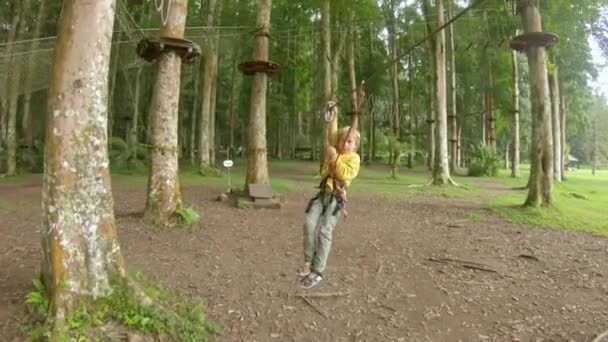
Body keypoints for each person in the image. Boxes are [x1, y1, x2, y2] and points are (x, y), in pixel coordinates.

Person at [297, 100, 361, 289]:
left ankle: (318, 271)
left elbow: (344, 174)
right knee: (309, 224)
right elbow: (332, 135)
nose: (345, 143)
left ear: (355, 145)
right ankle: (308, 261)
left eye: (349, 141)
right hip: (321, 195)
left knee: (325, 230)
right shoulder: (335, 148)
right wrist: (333, 113)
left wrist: (335, 158)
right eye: (342, 140)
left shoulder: (353, 159)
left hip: (336, 198)